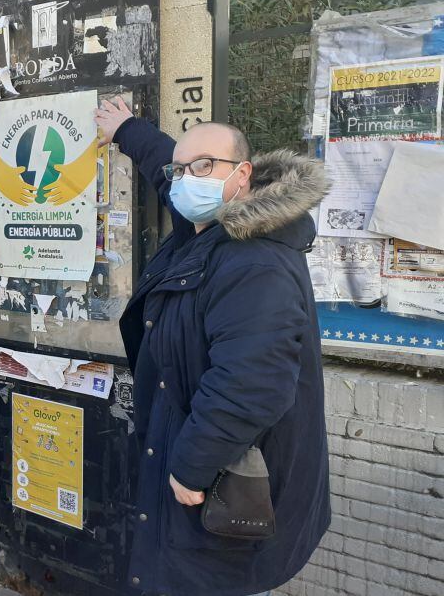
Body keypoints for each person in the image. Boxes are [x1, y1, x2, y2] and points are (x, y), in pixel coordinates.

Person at [94, 97, 330, 596]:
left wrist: (190, 465)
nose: (187, 179)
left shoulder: (255, 261)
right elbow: (168, 173)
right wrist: (127, 130)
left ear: (242, 174)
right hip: (194, 457)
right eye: (181, 169)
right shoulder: (208, 227)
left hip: (223, 479)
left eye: (204, 166)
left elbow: (251, 384)